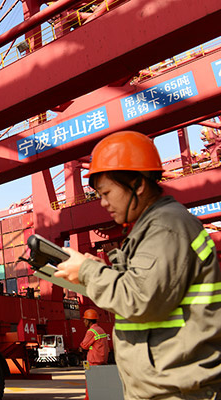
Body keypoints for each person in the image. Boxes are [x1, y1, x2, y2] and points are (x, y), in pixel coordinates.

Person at [53, 131, 221, 399]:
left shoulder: (166, 227)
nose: (103, 203)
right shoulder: (155, 228)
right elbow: (148, 290)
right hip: (166, 385)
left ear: (138, 184)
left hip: (178, 390)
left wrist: (87, 271)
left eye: (107, 192)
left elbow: (140, 299)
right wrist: (101, 272)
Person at [80, 308, 109, 400]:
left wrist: (81, 348)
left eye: (85, 320)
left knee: (90, 383)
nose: (84, 322)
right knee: (99, 384)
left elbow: (84, 345)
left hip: (93, 361)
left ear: (89, 321)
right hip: (102, 361)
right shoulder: (100, 329)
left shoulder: (91, 331)